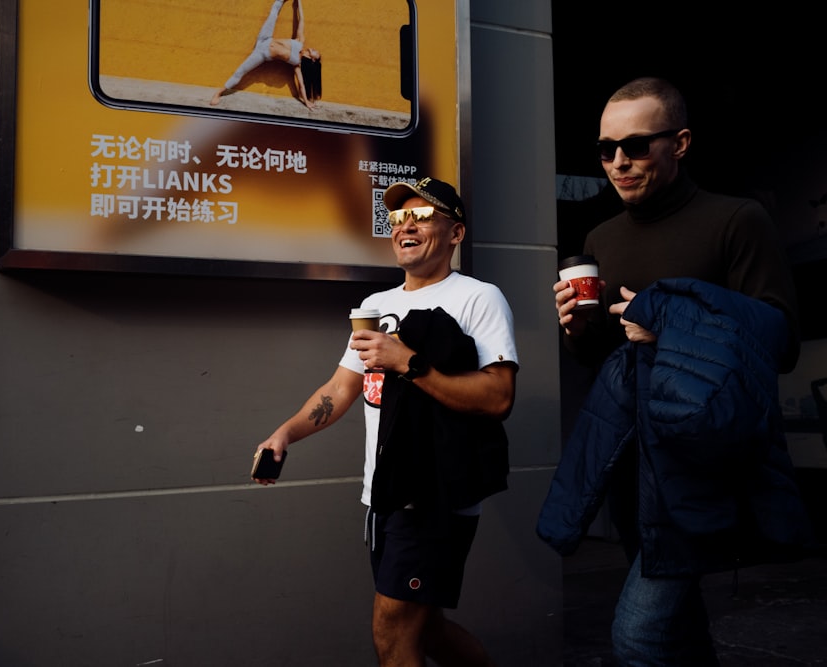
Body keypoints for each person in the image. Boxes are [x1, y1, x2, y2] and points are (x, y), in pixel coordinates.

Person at [537, 77, 812, 666]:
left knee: (638, 637)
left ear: (680, 142)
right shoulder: (600, 238)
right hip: (628, 463)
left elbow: (781, 339)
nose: (618, 162)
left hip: (703, 463)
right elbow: (603, 359)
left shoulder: (738, 220)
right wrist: (576, 331)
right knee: (680, 636)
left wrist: (674, 326)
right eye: (606, 149)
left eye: (635, 146)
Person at [253, 176, 517, 667]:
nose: (405, 226)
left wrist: (409, 362)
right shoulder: (376, 308)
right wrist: (285, 433)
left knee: (392, 635)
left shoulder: (478, 298)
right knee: (428, 631)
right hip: (384, 495)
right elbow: (339, 389)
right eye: (398, 218)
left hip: (433, 494)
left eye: (421, 216)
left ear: (455, 234)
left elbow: (499, 397)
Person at [210, 0, 322, 110]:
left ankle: (218, 94)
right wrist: (299, 2)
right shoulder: (300, 41)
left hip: (262, 54)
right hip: (266, 38)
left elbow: (301, 84)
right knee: (274, 13)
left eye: (316, 53)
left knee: (240, 72)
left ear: (312, 60)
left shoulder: (297, 64)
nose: (315, 50)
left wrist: (306, 102)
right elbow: (301, 20)